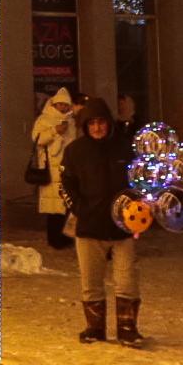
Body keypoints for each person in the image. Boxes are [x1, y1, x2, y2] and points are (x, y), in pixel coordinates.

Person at [61, 99, 146, 347]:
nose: (97, 128)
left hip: (123, 227)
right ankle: (94, 327)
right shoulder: (75, 151)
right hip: (89, 227)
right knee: (91, 281)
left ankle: (127, 327)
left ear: (108, 124)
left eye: (101, 122)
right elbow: (66, 183)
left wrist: (139, 205)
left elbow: (139, 181)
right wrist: (78, 207)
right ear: (85, 126)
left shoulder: (125, 148)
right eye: (92, 123)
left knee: (127, 280)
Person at [29, 86, 77, 252]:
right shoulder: (44, 119)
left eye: (66, 105)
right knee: (53, 208)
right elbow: (37, 139)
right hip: (51, 169)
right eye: (60, 104)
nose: (63, 107)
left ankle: (65, 237)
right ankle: (54, 239)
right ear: (54, 104)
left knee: (66, 205)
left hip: (67, 168)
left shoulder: (71, 121)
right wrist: (54, 132)